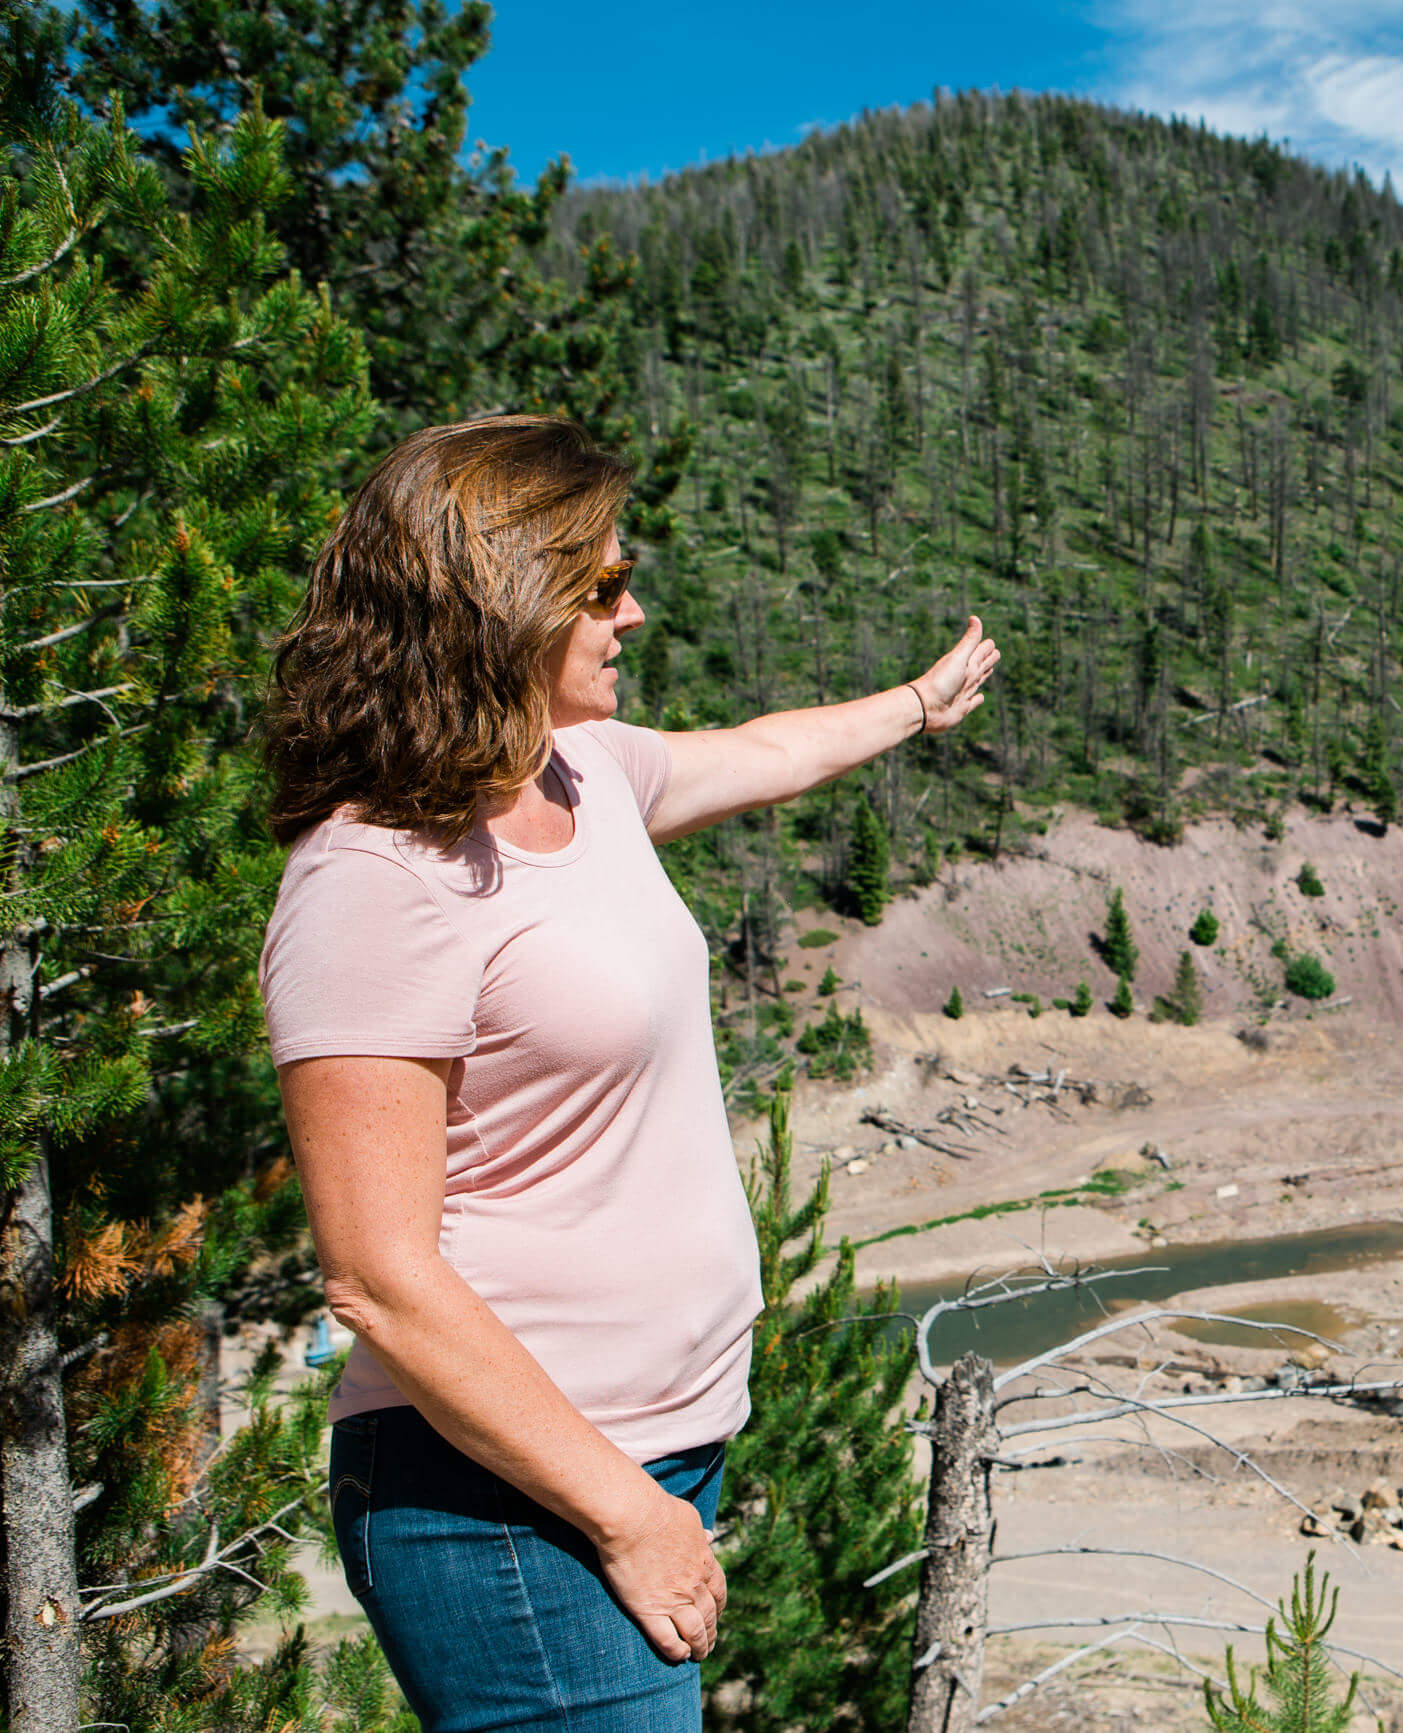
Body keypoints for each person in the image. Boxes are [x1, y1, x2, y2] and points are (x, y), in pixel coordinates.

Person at [259, 415, 997, 1730]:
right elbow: (377, 1274)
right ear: (501, 604)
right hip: (506, 1500)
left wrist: (916, 707)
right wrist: (624, 1511)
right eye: (601, 585)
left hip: (643, 1461)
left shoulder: (578, 771)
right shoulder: (372, 879)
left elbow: (767, 753)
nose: (634, 610)